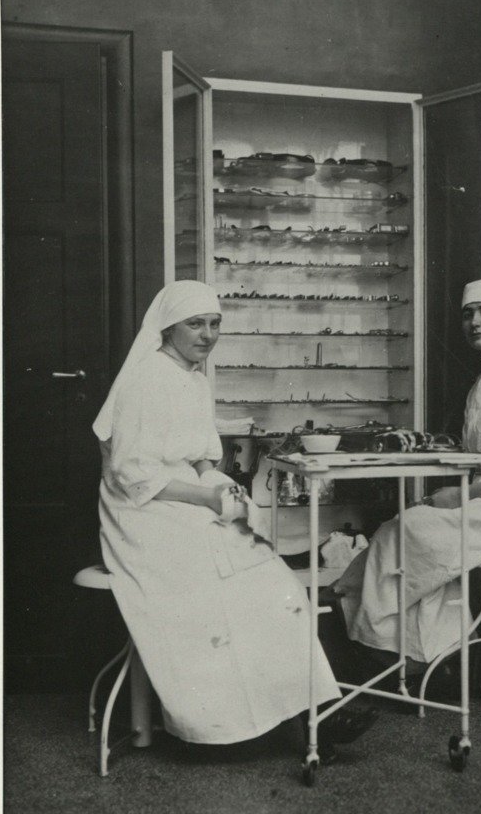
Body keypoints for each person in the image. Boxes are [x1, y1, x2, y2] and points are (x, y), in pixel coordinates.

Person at [93, 279, 376, 759]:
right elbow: (130, 474)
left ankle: (313, 711)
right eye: (195, 324)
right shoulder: (146, 380)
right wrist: (205, 501)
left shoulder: (195, 379)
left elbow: (204, 458)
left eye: (214, 324)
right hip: (141, 512)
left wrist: (222, 486)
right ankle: (221, 723)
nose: (207, 335)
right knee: (221, 576)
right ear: (168, 328)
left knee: (271, 579)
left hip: (183, 496)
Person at [334, 278, 481, 684]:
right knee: (405, 527)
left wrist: (462, 495)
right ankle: (408, 650)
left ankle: (383, 648)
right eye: (467, 314)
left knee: (410, 530)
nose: (475, 322)